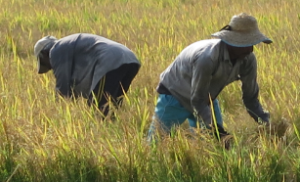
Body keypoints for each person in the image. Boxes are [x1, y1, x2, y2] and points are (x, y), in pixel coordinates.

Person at [147, 13, 272, 144]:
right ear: (232, 42)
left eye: (253, 43)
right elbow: (197, 99)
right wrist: (216, 130)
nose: (251, 49)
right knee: (156, 143)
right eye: (246, 44)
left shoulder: (248, 59)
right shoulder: (207, 58)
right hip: (174, 95)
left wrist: (266, 123)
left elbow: (250, 98)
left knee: (213, 145)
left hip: (206, 98)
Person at [34, 33, 140, 117]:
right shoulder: (69, 47)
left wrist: (56, 114)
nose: (50, 67)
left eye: (44, 63)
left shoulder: (56, 50)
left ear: (44, 54)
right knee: (112, 107)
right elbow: (78, 83)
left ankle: (101, 140)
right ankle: (115, 135)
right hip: (130, 60)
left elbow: (63, 87)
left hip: (110, 61)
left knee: (98, 108)